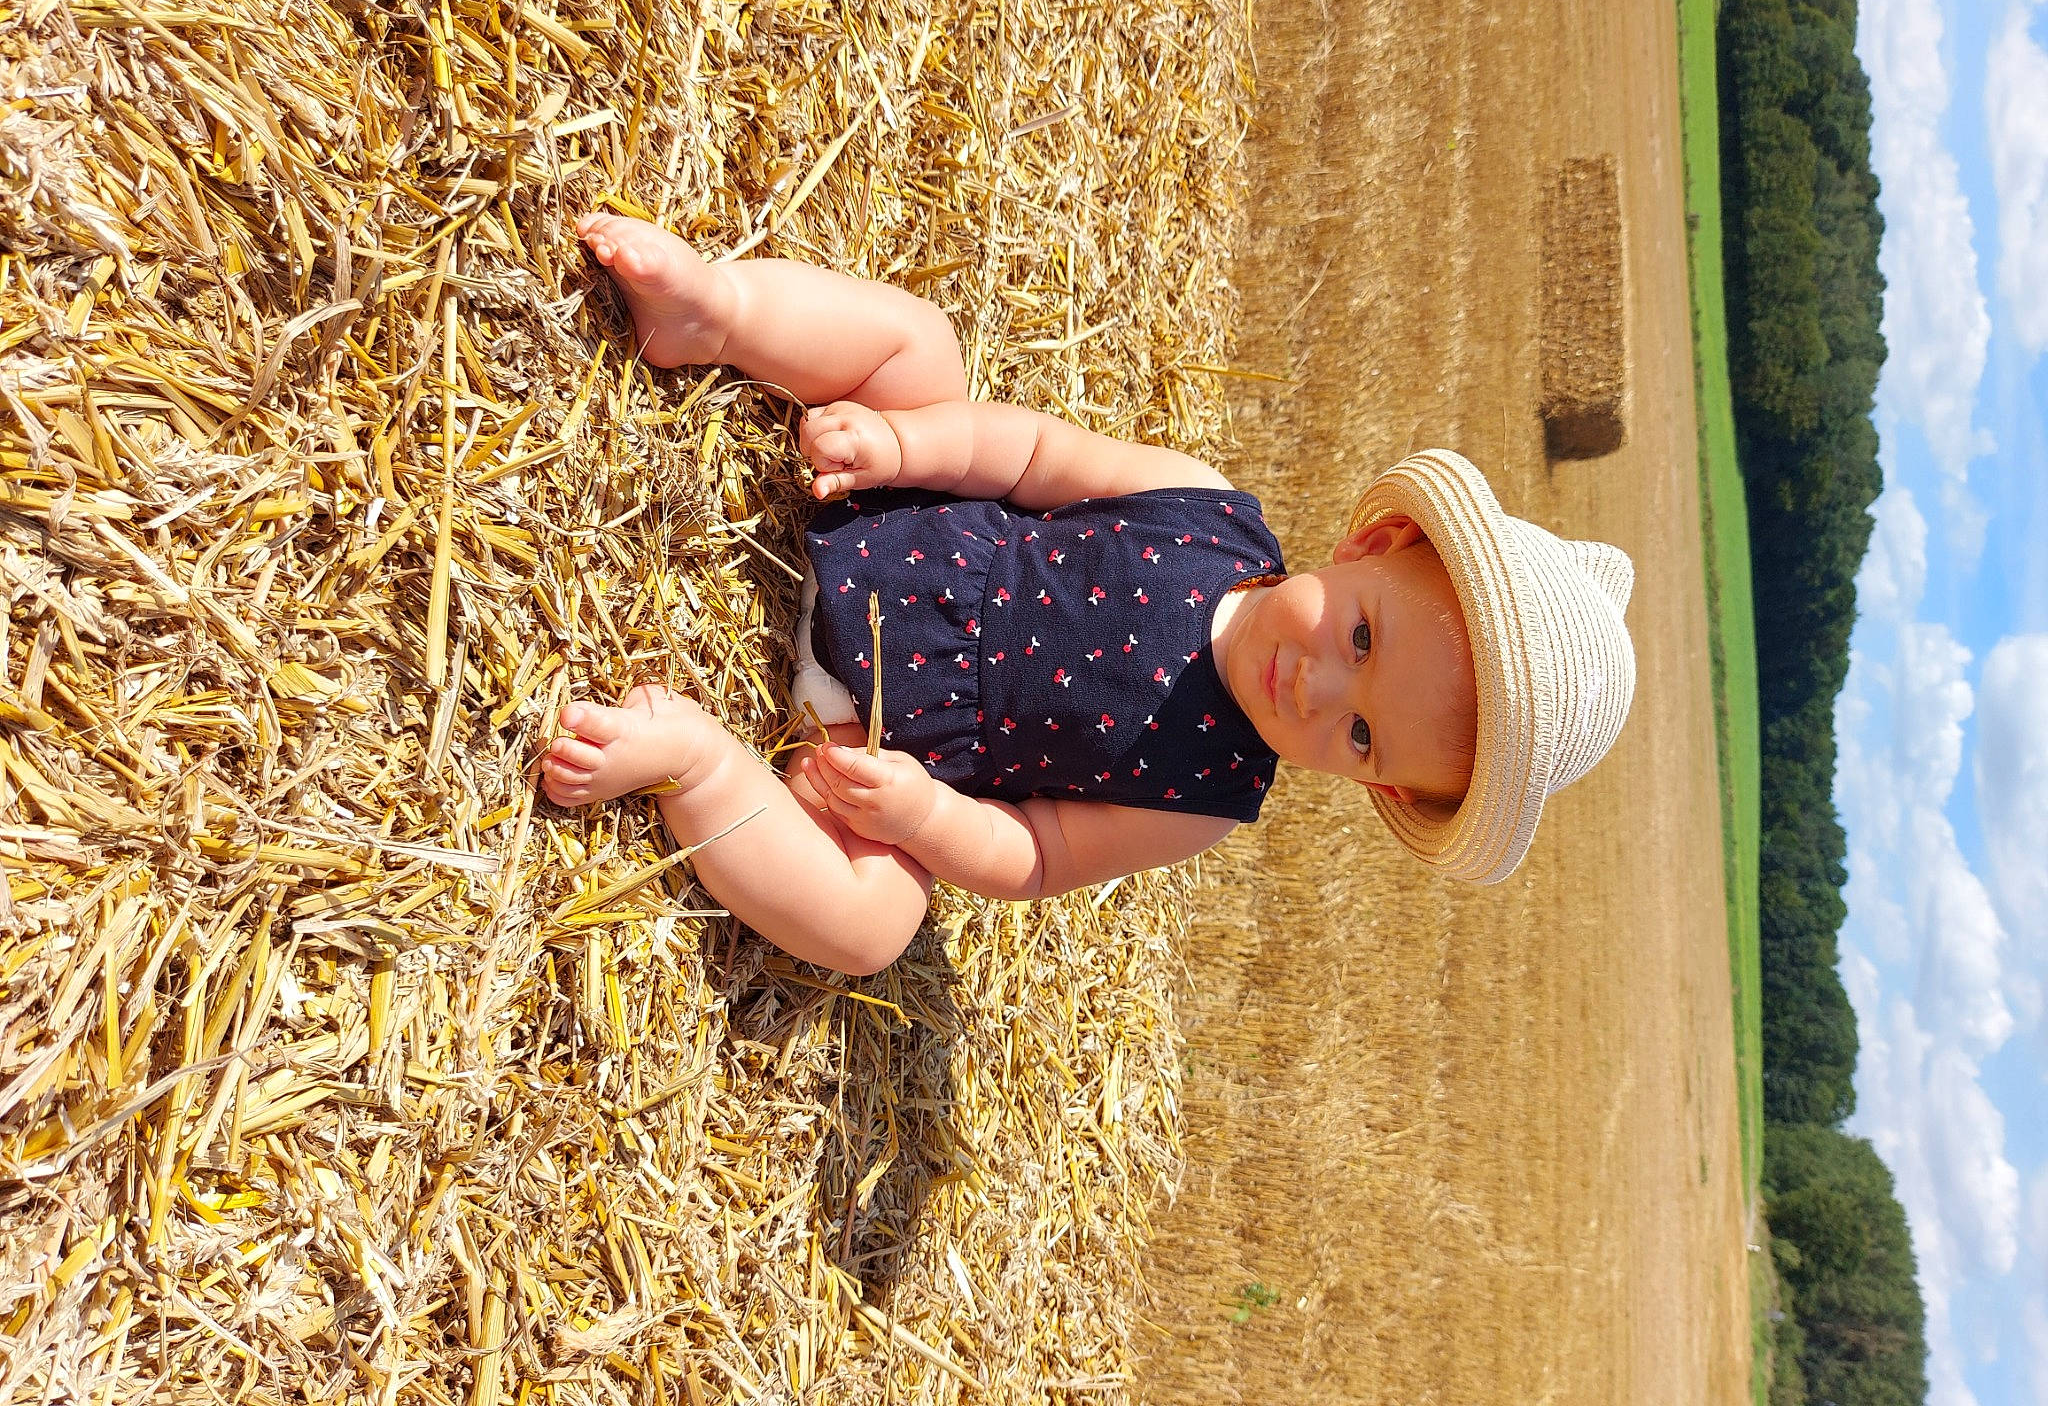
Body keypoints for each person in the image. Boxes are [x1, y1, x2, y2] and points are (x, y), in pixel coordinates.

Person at [542, 213, 1638, 974]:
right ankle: (711, 313)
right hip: (889, 516)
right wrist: (897, 438)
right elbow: (1025, 458)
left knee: (872, 923)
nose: (1314, 688)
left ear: (1380, 790)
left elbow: (1040, 857)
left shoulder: (1203, 801)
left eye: (1358, 735)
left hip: (861, 738)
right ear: (1372, 539)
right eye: (1358, 637)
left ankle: (690, 761)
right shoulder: (1208, 511)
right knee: (917, 343)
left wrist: (922, 814)